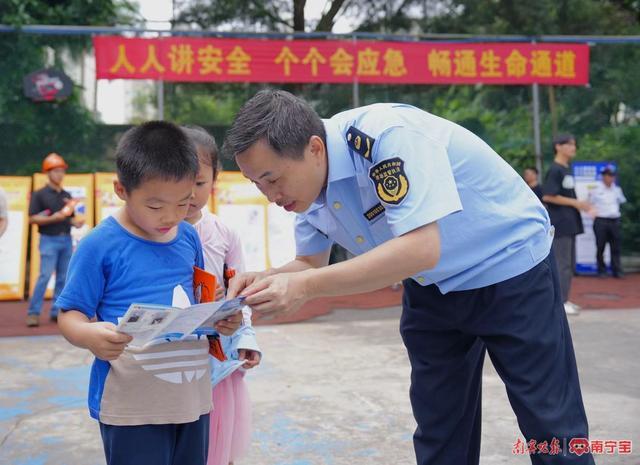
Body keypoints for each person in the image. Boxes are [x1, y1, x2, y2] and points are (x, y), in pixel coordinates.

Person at [222, 90, 594, 465]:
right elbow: (309, 264)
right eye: (258, 184)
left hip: (511, 271)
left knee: (551, 427)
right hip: (430, 286)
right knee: (439, 429)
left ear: (315, 149)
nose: (270, 195)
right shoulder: (306, 192)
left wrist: (303, 287)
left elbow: (420, 247)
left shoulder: (384, 138)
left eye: (272, 179)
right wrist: (261, 285)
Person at [56, 121, 242, 465]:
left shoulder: (188, 238)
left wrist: (220, 320)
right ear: (121, 189)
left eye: (184, 203)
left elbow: (195, 304)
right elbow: (69, 313)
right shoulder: (100, 244)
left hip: (191, 399)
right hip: (133, 407)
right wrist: (87, 334)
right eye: (156, 206)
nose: (171, 217)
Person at [182, 126, 261, 465]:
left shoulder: (224, 234)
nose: (188, 194)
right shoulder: (155, 235)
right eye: (180, 182)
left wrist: (246, 335)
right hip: (174, 359)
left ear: (215, 178)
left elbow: (239, 292)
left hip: (218, 357)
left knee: (220, 440)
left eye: (199, 184)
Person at [26, 153, 84, 327]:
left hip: (66, 240)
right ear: (48, 173)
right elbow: (32, 219)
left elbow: (71, 218)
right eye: (56, 171)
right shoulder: (39, 194)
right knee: (44, 277)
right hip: (48, 240)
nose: (60, 174)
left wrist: (78, 222)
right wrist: (55, 218)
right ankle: (33, 313)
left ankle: (55, 312)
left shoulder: (66, 195)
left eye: (62, 171)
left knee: (63, 278)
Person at [542, 134, 592, 316]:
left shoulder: (566, 169)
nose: (573, 147)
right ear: (558, 146)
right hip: (561, 224)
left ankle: (565, 298)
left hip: (571, 223)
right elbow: (548, 195)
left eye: (574, 143)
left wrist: (581, 204)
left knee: (568, 264)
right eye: (569, 144)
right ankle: (560, 302)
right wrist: (575, 203)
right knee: (562, 264)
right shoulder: (555, 169)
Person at [589, 164, 626, 278]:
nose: (611, 177)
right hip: (601, 221)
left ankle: (617, 270)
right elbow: (589, 204)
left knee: (616, 247)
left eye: (612, 175)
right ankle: (601, 269)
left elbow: (622, 201)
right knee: (600, 246)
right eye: (608, 175)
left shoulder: (617, 190)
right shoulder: (596, 189)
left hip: (614, 221)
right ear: (603, 176)